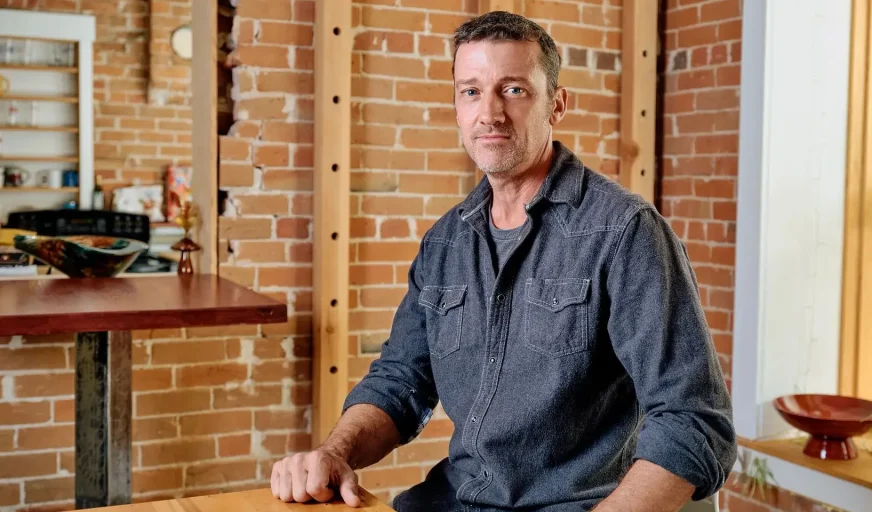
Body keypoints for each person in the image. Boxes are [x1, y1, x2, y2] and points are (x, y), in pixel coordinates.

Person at [270, 10, 736, 511]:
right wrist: (336, 452)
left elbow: (694, 420)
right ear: (456, 106)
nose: (489, 113)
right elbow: (401, 381)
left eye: (513, 90)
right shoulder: (444, 243)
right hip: (453, 501)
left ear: (556, 105)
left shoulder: (624, 232)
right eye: (471, 91)